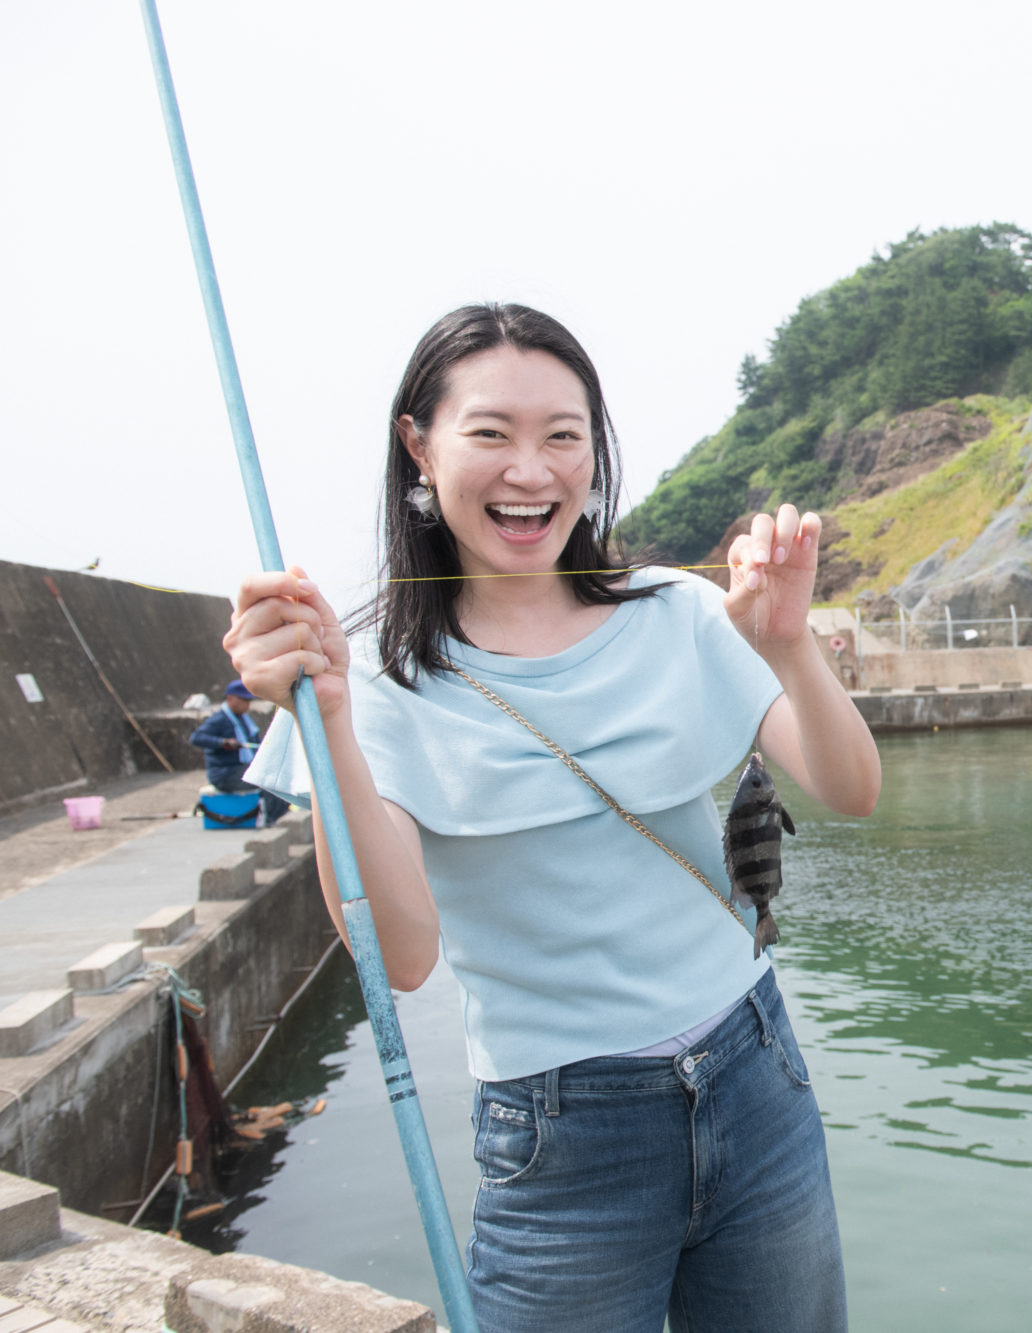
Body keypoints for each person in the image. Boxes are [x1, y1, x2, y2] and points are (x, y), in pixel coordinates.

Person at [230, 304, 879, 1333]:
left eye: (562, 436)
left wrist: (791, 645)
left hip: (756, 1076)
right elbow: (397, 956)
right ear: (418, 445)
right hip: (562, 1136)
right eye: (490, 433)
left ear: (595, 452)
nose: (530, 471)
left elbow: (851, 788)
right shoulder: (377, 684)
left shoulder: (672, 608)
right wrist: (333, 725)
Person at [187, 681, 288, 825]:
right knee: (266, 781)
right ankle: (274, 822)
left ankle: (281, 817)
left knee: (277, 776)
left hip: (241, 769)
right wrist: (223, 742)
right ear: (230, 699)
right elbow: (196, 738)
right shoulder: (219, 719)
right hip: (225, 774)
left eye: (249, 701)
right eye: (244, 700)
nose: (247, 705)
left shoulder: (244, 720)